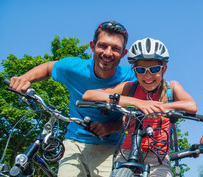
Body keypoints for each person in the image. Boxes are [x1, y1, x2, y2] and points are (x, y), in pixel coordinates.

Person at [9, 21, 136, 177]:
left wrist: (110, 127)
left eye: (115, 48)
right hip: (73, 143)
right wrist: (24, 79)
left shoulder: (131, 78)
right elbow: (49, 68)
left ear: (123, 53)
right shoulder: (74, 68)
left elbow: (138, 115)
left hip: (110, 147)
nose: (108, 53)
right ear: (92, 46)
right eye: (102, 46)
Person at [83, 37, 197, 177]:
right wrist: (138, 103)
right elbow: (89, 95)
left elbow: (191, 105)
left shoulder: (171, 88)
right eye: (141, 70)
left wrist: (162, 107)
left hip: (158, 156)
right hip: (127, 151)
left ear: (164, 69)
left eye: (154, 69)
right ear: (135, 71)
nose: (148, 75)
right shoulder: (130, 87)